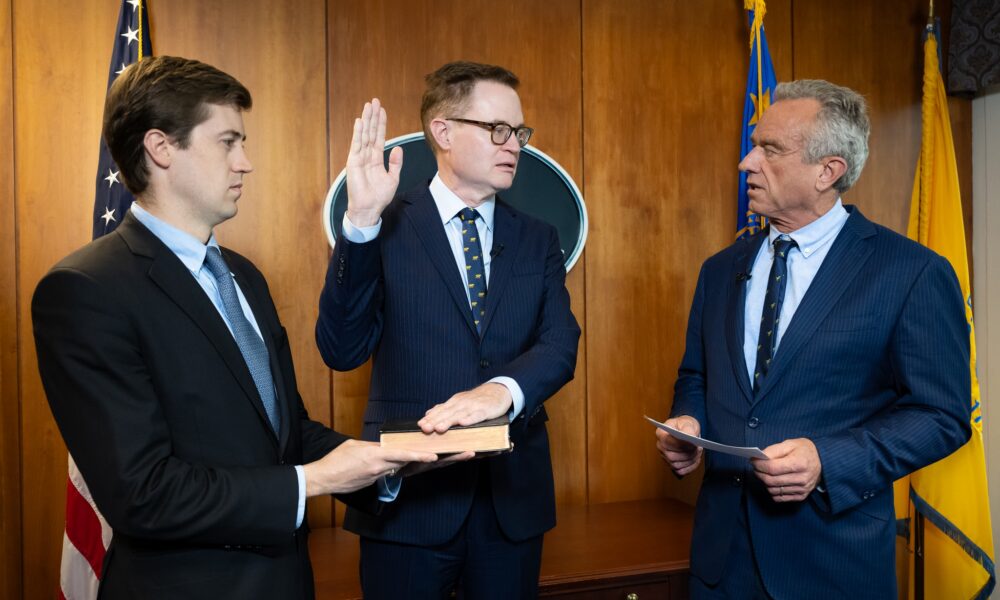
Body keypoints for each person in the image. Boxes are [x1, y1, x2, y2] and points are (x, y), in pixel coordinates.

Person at [31, 55, 437, 600]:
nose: (245, 162)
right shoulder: (86, 291)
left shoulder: (243, 276)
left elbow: (284, 432)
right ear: (161, 148)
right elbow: (143, 493)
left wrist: (386, 461)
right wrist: (314, 480)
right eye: (227, 142)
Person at [655, 79, 971, 599]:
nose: (746, 162)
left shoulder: (912, 272)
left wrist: (829, 459)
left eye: (769, 149)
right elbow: (697, 375)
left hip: (831, 564)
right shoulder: (720, 269)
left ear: (829, 171)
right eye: (754, 145)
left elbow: (942, 415)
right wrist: (689, 421)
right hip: (719, 561)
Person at [316, 61, 581, 599]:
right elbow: (341, 349)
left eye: (520, 133)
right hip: (409, 508)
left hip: (511, 508)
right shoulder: (385, 225)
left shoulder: (537, 238)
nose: (515, 145)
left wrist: (499, 392)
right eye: (498, 130)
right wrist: (361, 223)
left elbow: (560, 343)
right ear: (443, 130)